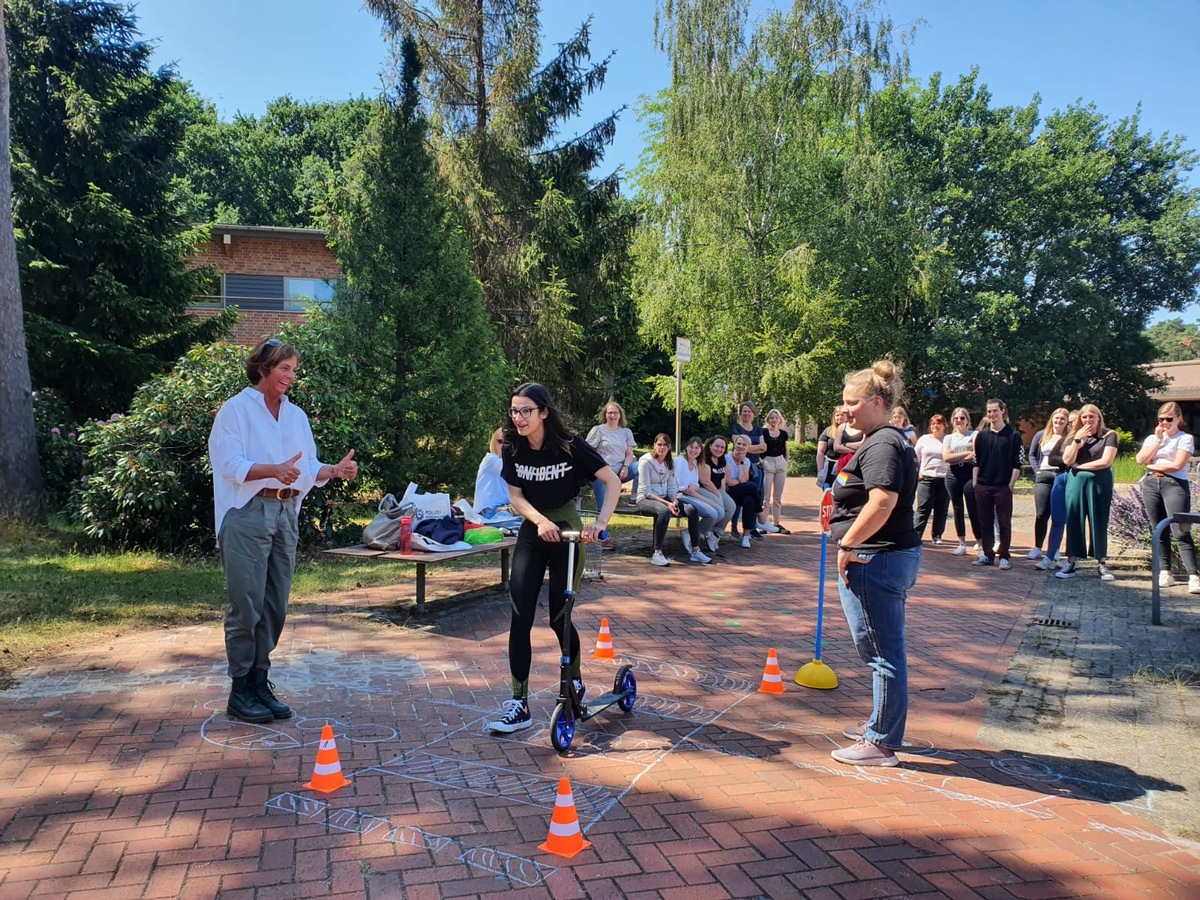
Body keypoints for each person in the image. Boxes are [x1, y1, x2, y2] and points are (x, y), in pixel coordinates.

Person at [209, 337, 359, 724]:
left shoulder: (296, 417)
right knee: (247, 603)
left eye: (293, 369)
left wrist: (333, 471)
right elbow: (229, 464)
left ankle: (260, 682)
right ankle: (240, 690)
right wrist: (272, 469)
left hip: (284, 513)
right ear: (263, 368)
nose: (290, 376)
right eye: (284, 368)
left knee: (275, 604)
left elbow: (307, 467)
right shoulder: (236, 410)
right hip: (246, 512)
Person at [487, 382, 619, 733]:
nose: (518, 418)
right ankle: (519, 704)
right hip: (534, 530)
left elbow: (611, 480)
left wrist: (601, 523)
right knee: (520, 614)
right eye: (514, 411)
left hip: (568, 531)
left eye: (526, 411)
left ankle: (574, 681)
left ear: (543, 412)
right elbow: (515, 496)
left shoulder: (569, 445)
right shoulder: (512, 446)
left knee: (559, 617)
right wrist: (539, 520)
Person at [828, 359, 920, 767]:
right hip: (882, 556)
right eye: (844, 402)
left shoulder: (883, 442)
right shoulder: (880, 439)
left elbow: (883, 502)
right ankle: (880, 725)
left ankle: (881, 741)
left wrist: (848, 542)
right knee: (882, 649)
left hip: (876, 558)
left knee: (882, 652)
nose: (845, 410)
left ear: (878, 402)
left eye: (853, 403)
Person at [1136, 402, 1200, 592]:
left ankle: (1193, 575)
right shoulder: (1152, 439)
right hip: (1151, 484)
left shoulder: (1185, 438)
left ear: (1179, 419)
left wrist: (1152, 465)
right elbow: (1140, 459)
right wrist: (1157, 441)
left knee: (1180, 529)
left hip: (1173, 484)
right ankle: (1165, 571)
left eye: (1169, 419)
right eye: (1161, 419)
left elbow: (1177, 465)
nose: (1165, 423)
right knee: (1158, 529)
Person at [1057, 403, 1119, 581]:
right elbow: (1067, 460)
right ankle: (1072, 562)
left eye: (1091, 416)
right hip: (1076, 483)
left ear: (1098, 417)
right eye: (1084, 417)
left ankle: (1101, 562)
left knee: (1098, 520)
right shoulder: (1073, 436)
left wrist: (1080, 467)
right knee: (1074, 520)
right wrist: (1077, 440)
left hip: (1099, 482)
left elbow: (1106, 461)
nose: (1088, 420)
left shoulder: (1109, 435)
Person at [638, 433, 711, 565]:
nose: (662, 447)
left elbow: (672, 488)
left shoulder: (669, 463)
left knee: (691, 509)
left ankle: (695, 550)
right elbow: (646, 491)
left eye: (665, 445)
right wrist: (668, 504)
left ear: (669, 447)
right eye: (659, 444)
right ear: (654, 445)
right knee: (664, 511)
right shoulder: (645, 462)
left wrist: (674, 500)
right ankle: (657, 553)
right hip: (645, 498)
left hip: (665, 497)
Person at [971, 399, 1021, 570]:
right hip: (983, 485)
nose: (992, 414)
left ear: (1003, 411)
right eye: (989, 411)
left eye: (995, 411)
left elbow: (1017, 463)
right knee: (984, 522)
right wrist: (976, 483)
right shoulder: (982, 436)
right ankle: (987, 554)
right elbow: (976, 460)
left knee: (1004, 522)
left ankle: (1004, 556)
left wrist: (1011, 485)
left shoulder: (1013, 435)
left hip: (1003, 486)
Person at [585, 401, 638, 530]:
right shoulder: (598, 430)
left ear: (620, 415)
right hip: (602, 473)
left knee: (641, 465)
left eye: (615, 413)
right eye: (610, 413)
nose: (612, 415)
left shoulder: (626, 432)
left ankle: (635, 497)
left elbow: (630, 453)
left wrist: (626, 466)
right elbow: (587, 451)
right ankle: (602, 536)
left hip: (621, 470)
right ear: (605, 415)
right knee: (603, 507)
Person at [1029, 409, 1070, 565]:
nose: (1058, 421)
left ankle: (1055, 549)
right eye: (1056, 418)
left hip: (1060, 475)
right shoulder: (1041, 435)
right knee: (1041, 513)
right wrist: (1036, 470)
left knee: (1058, 515)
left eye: (1062, 419)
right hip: (1043, 475)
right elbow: (1032, 454)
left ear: (1067, 421)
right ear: (1051, 419)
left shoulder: (1068, 438)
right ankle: (1037, 547)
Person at [732, 401, 780, 533]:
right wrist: (753, 447)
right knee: (738, 495)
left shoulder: (758, 429)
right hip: (739, 465)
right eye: (744, 411)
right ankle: (734, 527)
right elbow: (738, 447)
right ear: (740, 413)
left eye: (749, 411)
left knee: (756, 496)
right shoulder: (736, 429)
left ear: (754, 414)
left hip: (755, 466)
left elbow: (764, 447)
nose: (746, 414)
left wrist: (747, 448)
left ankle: (752, 528)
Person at [942, 407, 980, 556]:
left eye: (962, 418)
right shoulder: (948, 438)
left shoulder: (974, 434)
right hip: (953, 475)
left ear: (967, 421)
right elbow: (946, 458)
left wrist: (956, 456)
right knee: (957, 509)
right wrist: (966, 453)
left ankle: (980, 543)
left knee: (973, 508)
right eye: (956, 418)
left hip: (969, 474)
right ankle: (961, 543)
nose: (959, 420)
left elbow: (976, 454)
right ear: (953, 421)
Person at [674, 436, 721, 556]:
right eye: (691, 447)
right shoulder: (680, 461)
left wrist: (692, 488)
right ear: (686, 447)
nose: (693, 450)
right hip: (679, 496)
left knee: (720, 512)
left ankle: (691, 533)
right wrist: (706, 500)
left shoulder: (695, 462)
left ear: (701, 451)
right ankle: (692, 535)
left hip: (690, 494)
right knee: (712, 514)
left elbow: (695, 485)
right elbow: (684, 488)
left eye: (697, 448)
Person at [913, 414, 950, 543]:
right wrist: (917, 473)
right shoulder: (924, 439)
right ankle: (915, 535)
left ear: (944, 425)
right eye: (933, 423)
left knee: (941, 508)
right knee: (923, 507)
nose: (935, 426)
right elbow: (914, 458)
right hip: (926, 477)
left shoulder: (948, 440)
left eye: (938, 423)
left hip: (943, 478)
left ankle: (937, 535)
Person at [725, 435, 765, 548]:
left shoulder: (746, 461)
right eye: (739, 443)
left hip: (740, 490)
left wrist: (741, 462)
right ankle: (761, 516)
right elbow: (729, 482)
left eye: (744, 445)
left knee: (749, 500)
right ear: (734, 444)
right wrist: (737, 481)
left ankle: (746, 537)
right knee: (752, 486)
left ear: (747, 448)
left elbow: (743, 480)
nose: (740, 447)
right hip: (727, 492)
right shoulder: (726, 458)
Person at [700, 435, 737, 545]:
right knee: (718, 507)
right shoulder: (704, 459)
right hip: (701, 488)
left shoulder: (722, 460)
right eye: (717, 446)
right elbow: (705, 482)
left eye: (722, 447)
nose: (719, 449)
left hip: (716, 489)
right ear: (710, 445)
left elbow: (722, 479)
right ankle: (700, 531)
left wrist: (723, 494)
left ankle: (715, 533)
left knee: (731, 507)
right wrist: (718, 495)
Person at [761, 408, 791, 533]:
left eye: (776, 417)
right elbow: (761, 448)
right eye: (772, 417)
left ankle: (777, 523)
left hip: (780, 463)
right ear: (768, 419)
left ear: (779, 419)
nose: (774, 420)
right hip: (768, 462)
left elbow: (786, 449)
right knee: (765, 497)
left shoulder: (783, 434)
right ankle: (763, 522)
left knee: (777, 497)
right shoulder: (764, 432)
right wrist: (763, 462)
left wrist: (786, 462)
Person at [473, 428, 510, 512]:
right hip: (487, 511)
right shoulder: (490, 460)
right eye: (500, 441)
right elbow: (511, 469)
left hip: (503, 510)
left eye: (507, 442)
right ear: (494, 443)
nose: (503, 445)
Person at [816, 407, 848, 489]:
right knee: (827, 490)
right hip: (829, 467)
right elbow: (820, 451)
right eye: (837, 415)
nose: (839, 417)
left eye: (842, 415)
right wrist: (820, 470)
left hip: (845, 466)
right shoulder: (828, 430)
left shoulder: (853, 431)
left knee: (840, 489)